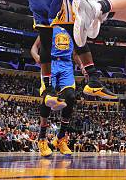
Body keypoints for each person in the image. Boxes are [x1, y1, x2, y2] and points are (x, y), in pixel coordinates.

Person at [30, 27, 78, 157]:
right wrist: (37, 57)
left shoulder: (72, 29)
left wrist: (83, 67)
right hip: (50, 63)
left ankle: (61, 138)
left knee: (71, 97)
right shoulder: (49, 26)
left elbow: (75, 53)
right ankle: (42, 138)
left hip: (67, 65)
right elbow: (34, 47)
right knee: (48, 97)